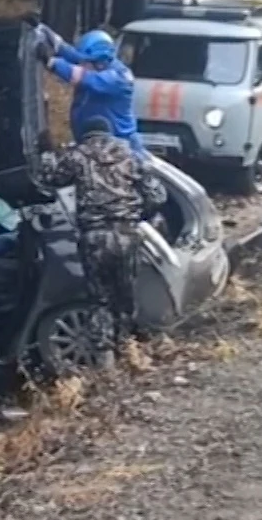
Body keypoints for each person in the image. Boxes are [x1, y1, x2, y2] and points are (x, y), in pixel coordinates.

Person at [35, 117, 167, 332]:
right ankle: (128, 347)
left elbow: (49, 180)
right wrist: (137, 215)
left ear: (84, 134)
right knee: (126, 297)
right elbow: (157, 196)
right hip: (126, 233)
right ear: (109, 133)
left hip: (94, 237)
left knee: (100, 300)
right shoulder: (130, 156)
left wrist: (46, 152)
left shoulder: (77, 156)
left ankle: (106, 356)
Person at [34, 25, 145, 155]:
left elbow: (83, 77)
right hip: (95, 147)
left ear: (100, 63)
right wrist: (44, 31)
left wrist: (51, 62)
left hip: (120, 151)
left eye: (85, 62)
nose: (81, 64)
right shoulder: (98, 64)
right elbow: (74, 55)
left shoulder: (118, 79)